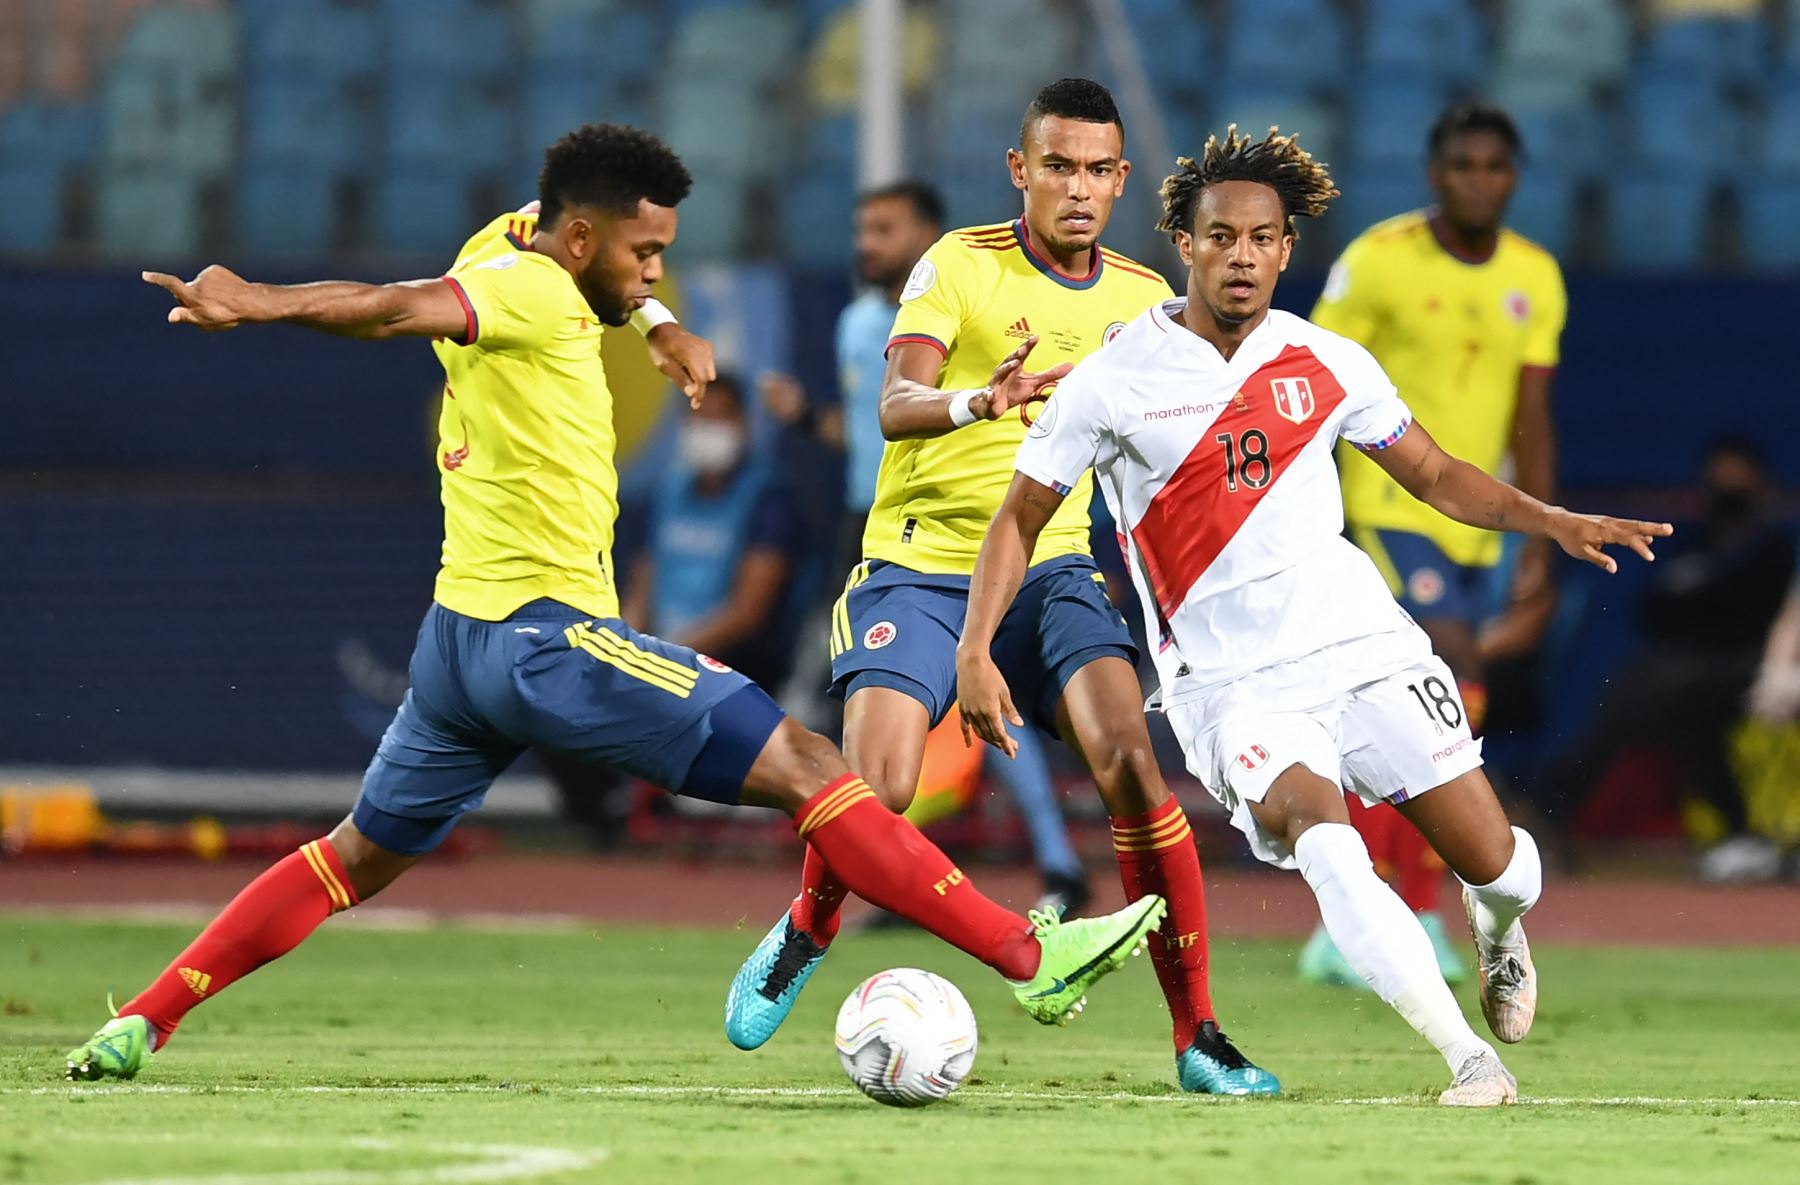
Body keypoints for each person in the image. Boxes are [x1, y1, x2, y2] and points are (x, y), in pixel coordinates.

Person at [64, 124, 1171, 1082]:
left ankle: (142, 1021)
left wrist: (658, 326)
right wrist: (253, 302)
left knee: (352, 858)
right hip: (547, 642)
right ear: (586, 241)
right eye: (647, 258)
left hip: (456, 646)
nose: (654, 273)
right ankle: (1032, 959)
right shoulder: (522, 288)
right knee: (810, 767)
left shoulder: (520, 235)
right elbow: (397, 307)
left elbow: (563, 273)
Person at [954, 126, 1671, 1106]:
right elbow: (1019, 519)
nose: (1241, 256)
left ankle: (1498, 925)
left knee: (1503, 868)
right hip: (1234, 689)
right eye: (1221, 237)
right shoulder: (1114, 380)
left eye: (1262, 238)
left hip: (1362, 647)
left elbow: (1435, 475)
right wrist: (975, 649)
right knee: (1325, 847)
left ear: (1288, 248)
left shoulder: (1325, 361)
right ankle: (1471, 1061)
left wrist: (1552, 521)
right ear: (1186, 243)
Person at [725, 79, 1277, 1096]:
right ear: (1022, 171)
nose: (1078, 187)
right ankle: (809, 927)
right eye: (1057, 166)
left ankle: (1198, 1034)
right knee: (880, 790)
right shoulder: (957, 266)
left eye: (1098, 170)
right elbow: (893, 404)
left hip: (1054, 569)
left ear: (1121, 180)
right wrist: (982, 398)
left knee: (1130, 766)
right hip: (919, 566)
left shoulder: (1143, 305)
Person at [765, 179, 1093, 917]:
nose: (866, 244)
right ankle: (881, 879)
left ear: (929, 239)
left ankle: (1047, 860)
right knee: (859, 718)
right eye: (862, 229)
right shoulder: (858, 326)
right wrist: (806, 417)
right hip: (878, 529)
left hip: (994, 535)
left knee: (979, 701)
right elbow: (872, 424)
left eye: (883, 229)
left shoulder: (977, 302)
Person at [1303, 104, 1568, 986]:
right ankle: (1391, 910)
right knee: (1445, 669)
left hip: (1481, 526)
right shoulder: (1377, 261)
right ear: (1435, 173)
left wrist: (1537, 528)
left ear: (1513, 178)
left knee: (1445, 702)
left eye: (1495, 166)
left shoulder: (1536, 277)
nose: (1478, 180)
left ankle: (1388, 905)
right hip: (1390, 505)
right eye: (1462, 164)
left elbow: (1532, 416)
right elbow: (1310, 377)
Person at [1537, 439, 1795, 881]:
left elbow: (1757, 614)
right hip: (1697, 671)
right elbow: (1655, 609)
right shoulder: (1695, 545)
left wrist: (1717, 606)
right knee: (1678, 707)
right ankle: (1742, 835)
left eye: (1738, 481)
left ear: (1760, 487)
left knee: (1662, 683)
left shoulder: (1775, 550)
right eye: (1719, 480)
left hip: (1764, 668)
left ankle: (1552, 801)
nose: (1728, 490)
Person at [622, 373, 805, 691]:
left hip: (731, 677)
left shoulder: (768, 499)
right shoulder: (666, 491)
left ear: (742, 424)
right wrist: (626, 654)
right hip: (655, 666)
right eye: (699, 418)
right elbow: (639, 592)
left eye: (718, 418)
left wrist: (669, 659)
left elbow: (748, 613)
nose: (707, 428)